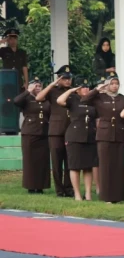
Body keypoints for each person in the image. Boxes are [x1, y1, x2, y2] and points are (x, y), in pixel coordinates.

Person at [84, 75, 124, 204]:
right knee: (105, 166)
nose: (114, 86)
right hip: (104, 134)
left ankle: (118, 196)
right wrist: (97, 89)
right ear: (107, 84)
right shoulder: (100, 97)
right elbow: (84, 100)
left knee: (118, 166)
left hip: (119, 134)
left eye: (116, 83)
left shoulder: (123, 99)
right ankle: (106, 196)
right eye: (112, 83)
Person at [57, 77, 98, 201]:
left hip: (90, 136)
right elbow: (59, 101)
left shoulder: (92, 101)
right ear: (77, 89)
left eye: (87, 87)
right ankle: (77, 194)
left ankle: (88, 194)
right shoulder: (72, 99)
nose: (86, 89)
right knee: (75, 166)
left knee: (88, 167)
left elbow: (97, 118)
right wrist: (71, 90)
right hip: (75, 136)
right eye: (82, 87)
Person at [37, 66, 74, 197]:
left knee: (70, 162)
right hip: (56, 131)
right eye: (64, 78)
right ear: (59, 79)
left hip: (71, 130)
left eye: (69, 78)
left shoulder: (73, 92)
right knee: (57, 162)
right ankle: (59, 189)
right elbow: (39, 97)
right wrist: (52, 84)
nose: (68, 81)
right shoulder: (53, 91)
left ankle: (69, 188)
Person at [13, 76, 50, 193]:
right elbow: (16, 101)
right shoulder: (27, 98)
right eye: (35, 86)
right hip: (30, 132)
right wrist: (28, 91)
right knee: (30, 161)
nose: (37, 88)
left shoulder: (46, 98)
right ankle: (31, 186)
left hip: (44, 132)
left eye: (39, 86)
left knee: (42, 161)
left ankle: (40, 186)